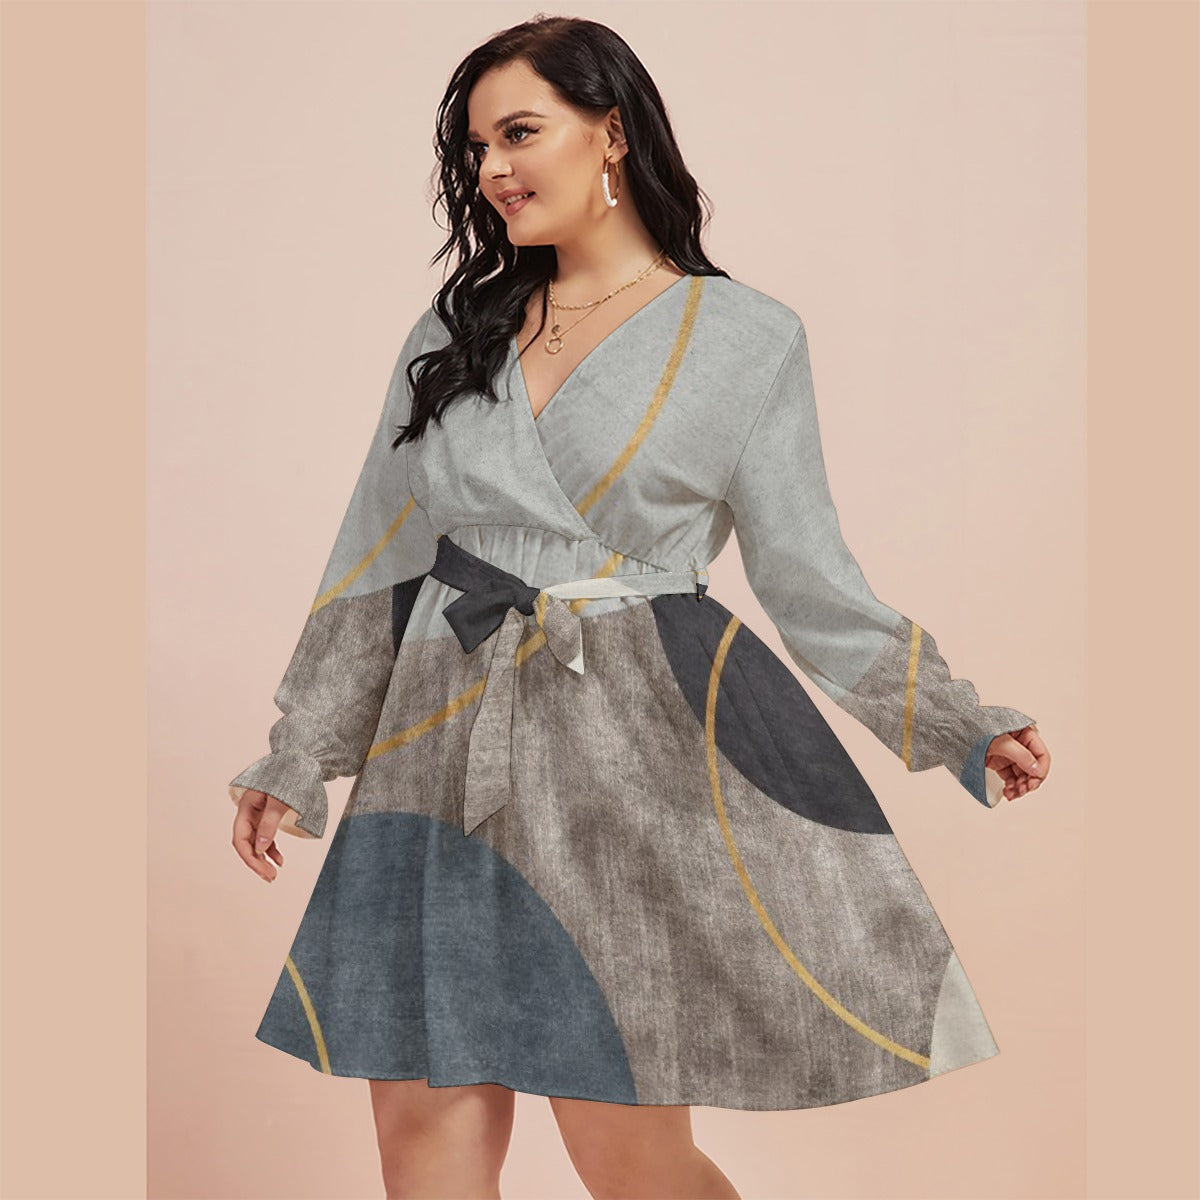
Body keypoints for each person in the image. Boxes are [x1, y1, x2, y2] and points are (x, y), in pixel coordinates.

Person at [228, 16, 1051, 1200]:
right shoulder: (455, 333)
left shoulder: (745, 338)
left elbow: (809, 579)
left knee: (626, 1150)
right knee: (421, 1130)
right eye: (477, 148)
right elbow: (379, 554)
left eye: (521, 132)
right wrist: (302, 750)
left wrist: (957, 719)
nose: (493, 169)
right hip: (441, 741)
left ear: (610, 133)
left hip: (629, 755)